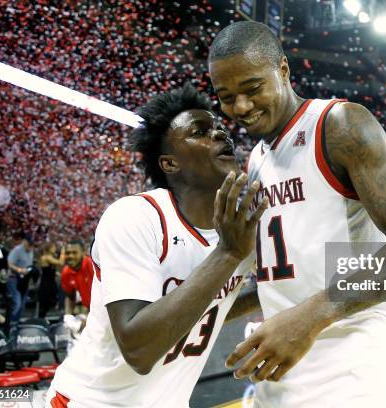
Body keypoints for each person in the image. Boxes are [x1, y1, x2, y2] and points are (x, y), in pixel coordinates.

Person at [209, 21, 386, 407]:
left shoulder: (340, 126)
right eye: (226, 97)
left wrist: (309, 317)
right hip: (280, 374)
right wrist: (209, 313)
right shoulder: (257, 161)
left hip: (355, 376)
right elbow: (285, 279)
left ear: (283, 71)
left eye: (252, 89)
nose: (240, 107)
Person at [47, 84, 268, 407]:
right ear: (170, 164)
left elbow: (206, 306)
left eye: (219, 128)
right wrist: (229, 254)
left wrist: (275, 292)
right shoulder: (136, 217)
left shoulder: (242, 222)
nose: (222, 135)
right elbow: (138, 349)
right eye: (199, 131)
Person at [6, 233, 35, 328]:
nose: (30, 247)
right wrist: (19, 270)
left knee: (22, 305)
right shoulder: (17, 250)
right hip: (14, 278)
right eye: (29, 244)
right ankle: (9, 323)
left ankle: (16, 324)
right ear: (24, 242)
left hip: (24, 280)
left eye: (31, 245)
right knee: (17, 303)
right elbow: (10, 264)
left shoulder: (31, 251)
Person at [60, 240, 93, 315]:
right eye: (68, 253)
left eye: (74, 252)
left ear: (83, 253)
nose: (71, 256)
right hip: (89, 309)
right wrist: (68, 315)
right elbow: (70, 297)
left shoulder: (92, 265)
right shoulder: (66, 272)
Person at [37, 242, 64, 318]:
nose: (55, 249)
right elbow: (60, 263)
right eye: (53, 247)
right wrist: (62, 253)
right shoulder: (46, 257)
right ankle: (41, 319)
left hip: (51, 282)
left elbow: (49, 270)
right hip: (46, 284)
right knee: (44, 303)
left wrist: (57, 273)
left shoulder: (50, 257)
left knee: (52, 301)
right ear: (49, 248)